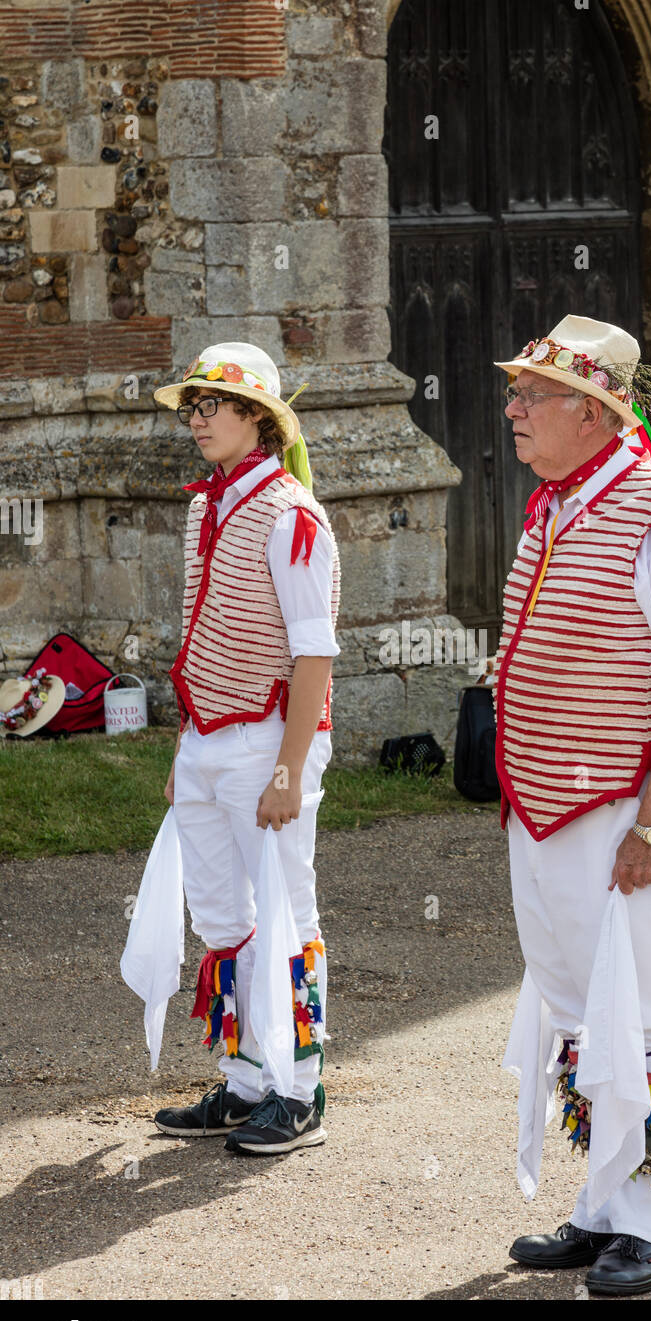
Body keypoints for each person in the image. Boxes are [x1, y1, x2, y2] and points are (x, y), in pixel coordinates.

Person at [491, 315, 651, 1294]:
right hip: (540, 806)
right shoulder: (553, 506)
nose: (511, 408)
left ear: (590, 412)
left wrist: (650, 820)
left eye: (530, 394)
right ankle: (601, 1206)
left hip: (614, 811)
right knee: (577, 1010)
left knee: (648, 1015)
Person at [149, 341, 340, 1156]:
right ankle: (245, 1080)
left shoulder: (290, 511)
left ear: (256, 419)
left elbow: (314, 652)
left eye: (212, 406)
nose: (197, 420)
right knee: (224, 916)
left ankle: (298, 1092)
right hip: (209, 735)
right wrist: (186, 747)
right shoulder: (206, 507)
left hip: (269, 737)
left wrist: (290, 766)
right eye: (191, 407)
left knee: (285, 913)